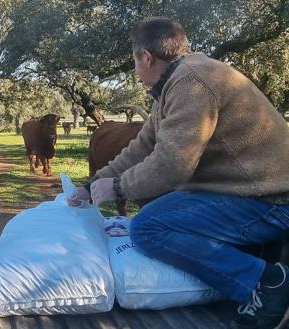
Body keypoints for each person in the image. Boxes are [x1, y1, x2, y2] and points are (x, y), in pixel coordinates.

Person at [69, 16, 289, 329]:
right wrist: (91, 185)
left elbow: (173, 164)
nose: (135, 69)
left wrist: (118, 188)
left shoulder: (192, 82)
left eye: (134, 60)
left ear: (146, 57)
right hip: (248, 194)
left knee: (147, 228)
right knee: (163, 210)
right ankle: (257, 255)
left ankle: (268, 282)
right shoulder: (176, 83)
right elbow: (141, 148)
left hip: (271, 202)